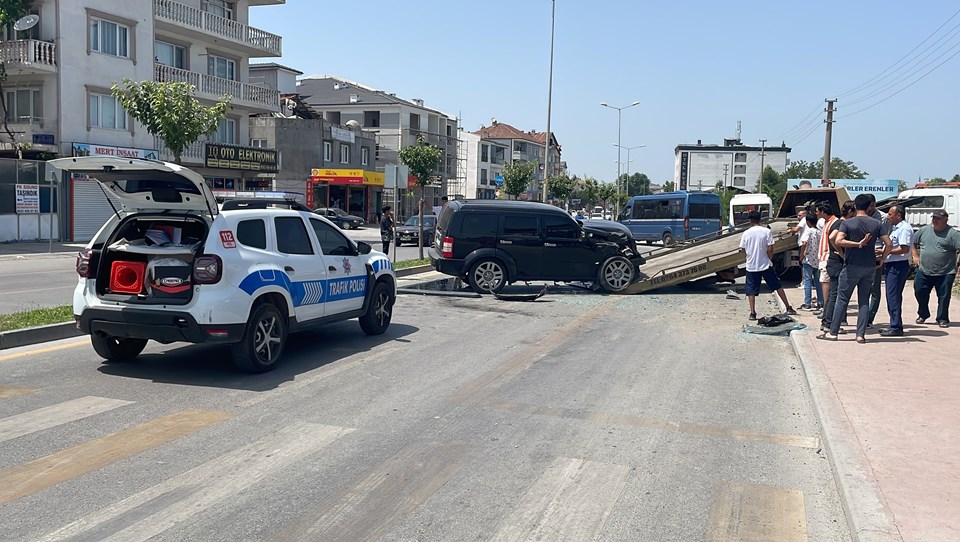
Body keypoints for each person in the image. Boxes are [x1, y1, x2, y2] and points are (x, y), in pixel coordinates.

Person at [821, 194, 892, 343]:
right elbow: (889, 244)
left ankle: (833, 332)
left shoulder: (848, 223)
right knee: (864, 301)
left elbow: (837, 240)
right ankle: (860, 335)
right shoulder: (876, 224)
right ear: (869, 207)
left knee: (842, 299)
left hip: (851, 266)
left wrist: (856, 245)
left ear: (855, 206)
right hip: (869, 266)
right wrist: (882, 259)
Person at [739, 211, 797, 320]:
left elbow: (743, 249)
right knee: (777, 286)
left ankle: (752, 313)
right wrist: (769, 258)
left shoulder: (746, 233)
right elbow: (770, 248)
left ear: (750, 221)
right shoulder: (766, 231)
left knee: (751, 290)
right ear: (760, 220)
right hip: (765, 264)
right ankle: (788, 307)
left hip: (751, 265)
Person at [912, 209, 960, 328]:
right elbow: (913, 242)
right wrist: (915, 256)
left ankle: (942, 318)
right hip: (924, 270)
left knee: (944, 296)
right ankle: (923, 313)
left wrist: (958, 265)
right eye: (934, 218)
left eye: (938, 218)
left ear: (945, 220)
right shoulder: (924, 230)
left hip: (946, 271)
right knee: (919, 291)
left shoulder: (953, 234)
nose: (935, 220)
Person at [820, 201, 855, 332]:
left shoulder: (837, 222)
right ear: (850, 212)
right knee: (835, 294)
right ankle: (830, 323)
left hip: (833, 262)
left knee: (832, 294)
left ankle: (827, 321)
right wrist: (841, 253)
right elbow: (833, 237)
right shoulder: (841, 223)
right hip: (836, 263)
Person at [878, 204, 913, 336]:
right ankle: (894, 324)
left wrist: (885, 251)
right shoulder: (895, 228)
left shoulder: (904, 229)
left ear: (899, 215)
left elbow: (904, 249)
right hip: (892, 264)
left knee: (893, 296)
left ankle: (896, 327)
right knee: (891, 296)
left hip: (898, 266)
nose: (888, 217)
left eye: (890, 214)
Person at [865, 194, 892, 327]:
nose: (869, 209)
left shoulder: (883, 218)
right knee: (864, 288)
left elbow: (887, 240)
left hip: (876, 256)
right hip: (861, 256)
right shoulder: (861, 215)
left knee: (875, 289)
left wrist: (883, 257)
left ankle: (869, 318)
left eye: (871, 206)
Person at [798, 213, 823, 310]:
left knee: (807, 281)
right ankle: (820, 302)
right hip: (817, 259)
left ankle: (807, 303)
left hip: (808, 259)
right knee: (818, 281)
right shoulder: (819, 232)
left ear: (808, 222)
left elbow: (804, 243)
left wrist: (801, 255)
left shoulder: (808, 232)